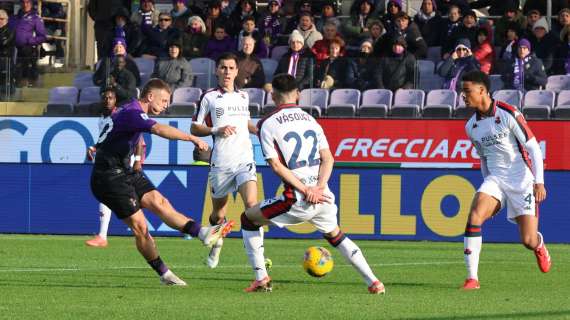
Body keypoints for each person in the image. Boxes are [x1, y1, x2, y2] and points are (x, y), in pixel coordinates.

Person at [240, 73, 385, 294]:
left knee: (249, 219)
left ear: (272, 95)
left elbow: (277, 167)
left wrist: (306, 190)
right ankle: (374, 282)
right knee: (336, 235)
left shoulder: (267, 123)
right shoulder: (311, 120)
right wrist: (318, 188)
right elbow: (329, 158)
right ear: (297, 94)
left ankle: (261, 278)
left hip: (297, 198)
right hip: (323, 195)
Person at [90, 78, 233, 286]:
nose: (166, 105)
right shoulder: (133, 113)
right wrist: (191, 138)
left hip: (125, 171)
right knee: (140, 226)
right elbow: (159, 130)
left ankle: (203, 233)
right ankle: (165, 274)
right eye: (164, 100)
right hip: (107, 177)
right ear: (150, 96)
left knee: (160, 202)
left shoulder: (131, 108)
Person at [459, 70, 551, 290]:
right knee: (474, 215)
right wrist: (487, 189)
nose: (463, 95)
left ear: (482, 90)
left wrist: (539, 182)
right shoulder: (471, 126)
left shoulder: (509, 113)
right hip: (496, 180)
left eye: (467, 91)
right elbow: (483, 158)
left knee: (527, 240)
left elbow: (533, 148)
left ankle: (539, 245)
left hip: (522, 181)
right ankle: (473, 278)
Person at [191, 52, 258, 269]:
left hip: (244, 159)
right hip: (221, 161)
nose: (227, 72)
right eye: (223, 67)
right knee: (218, 214)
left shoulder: (244, 97)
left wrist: (260, 130)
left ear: (237, 71)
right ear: (217, 70)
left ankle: (259, 263)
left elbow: (246, 122)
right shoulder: (209, 97)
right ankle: (217, 244)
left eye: (231, 68)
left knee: (252, 207)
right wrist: (216, 129)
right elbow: (195, 127)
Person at [85, 88, 145, 247]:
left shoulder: (120, 115)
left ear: (115, 100)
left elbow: (139, 138)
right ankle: (104, 235)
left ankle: (105, 236)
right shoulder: (102, 118)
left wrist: (138, 160)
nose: (107, 100)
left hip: (124, 161)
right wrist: (95, 147)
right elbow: (106, 139)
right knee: (117, 196)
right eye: (104, 97)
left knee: (130, 197)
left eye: (110, 98)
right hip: (112, 161)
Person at [12, 0, 46, 88]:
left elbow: (42, 36)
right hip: (13, 50)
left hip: (28, 50)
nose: (25, 4)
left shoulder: (36, 18)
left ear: (31, 4)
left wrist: (29, 41)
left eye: (28, 2)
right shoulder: (15, 17)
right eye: (23, 2)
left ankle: (30, 89)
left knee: (28, 74)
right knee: (15, 73)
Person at [0, 9, 15, 97]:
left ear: (7, 20)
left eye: (2, 19)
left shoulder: (11, 31)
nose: (0, 21)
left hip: (5, 64)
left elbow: (3, 43)